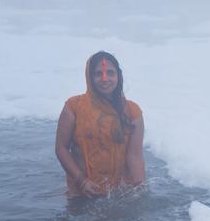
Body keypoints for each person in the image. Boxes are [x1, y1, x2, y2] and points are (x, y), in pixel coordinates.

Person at [55, 51, 145, 198]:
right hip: (82, 194)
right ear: (89, 78)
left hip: (119, 194)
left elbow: (135, 155)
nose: (105, 79)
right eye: (98, 74)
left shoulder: (132, 111)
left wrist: (139, 189)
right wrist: (81, 181)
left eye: (110, 73)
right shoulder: (73, 107)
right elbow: (61, 148)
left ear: (118, 76)